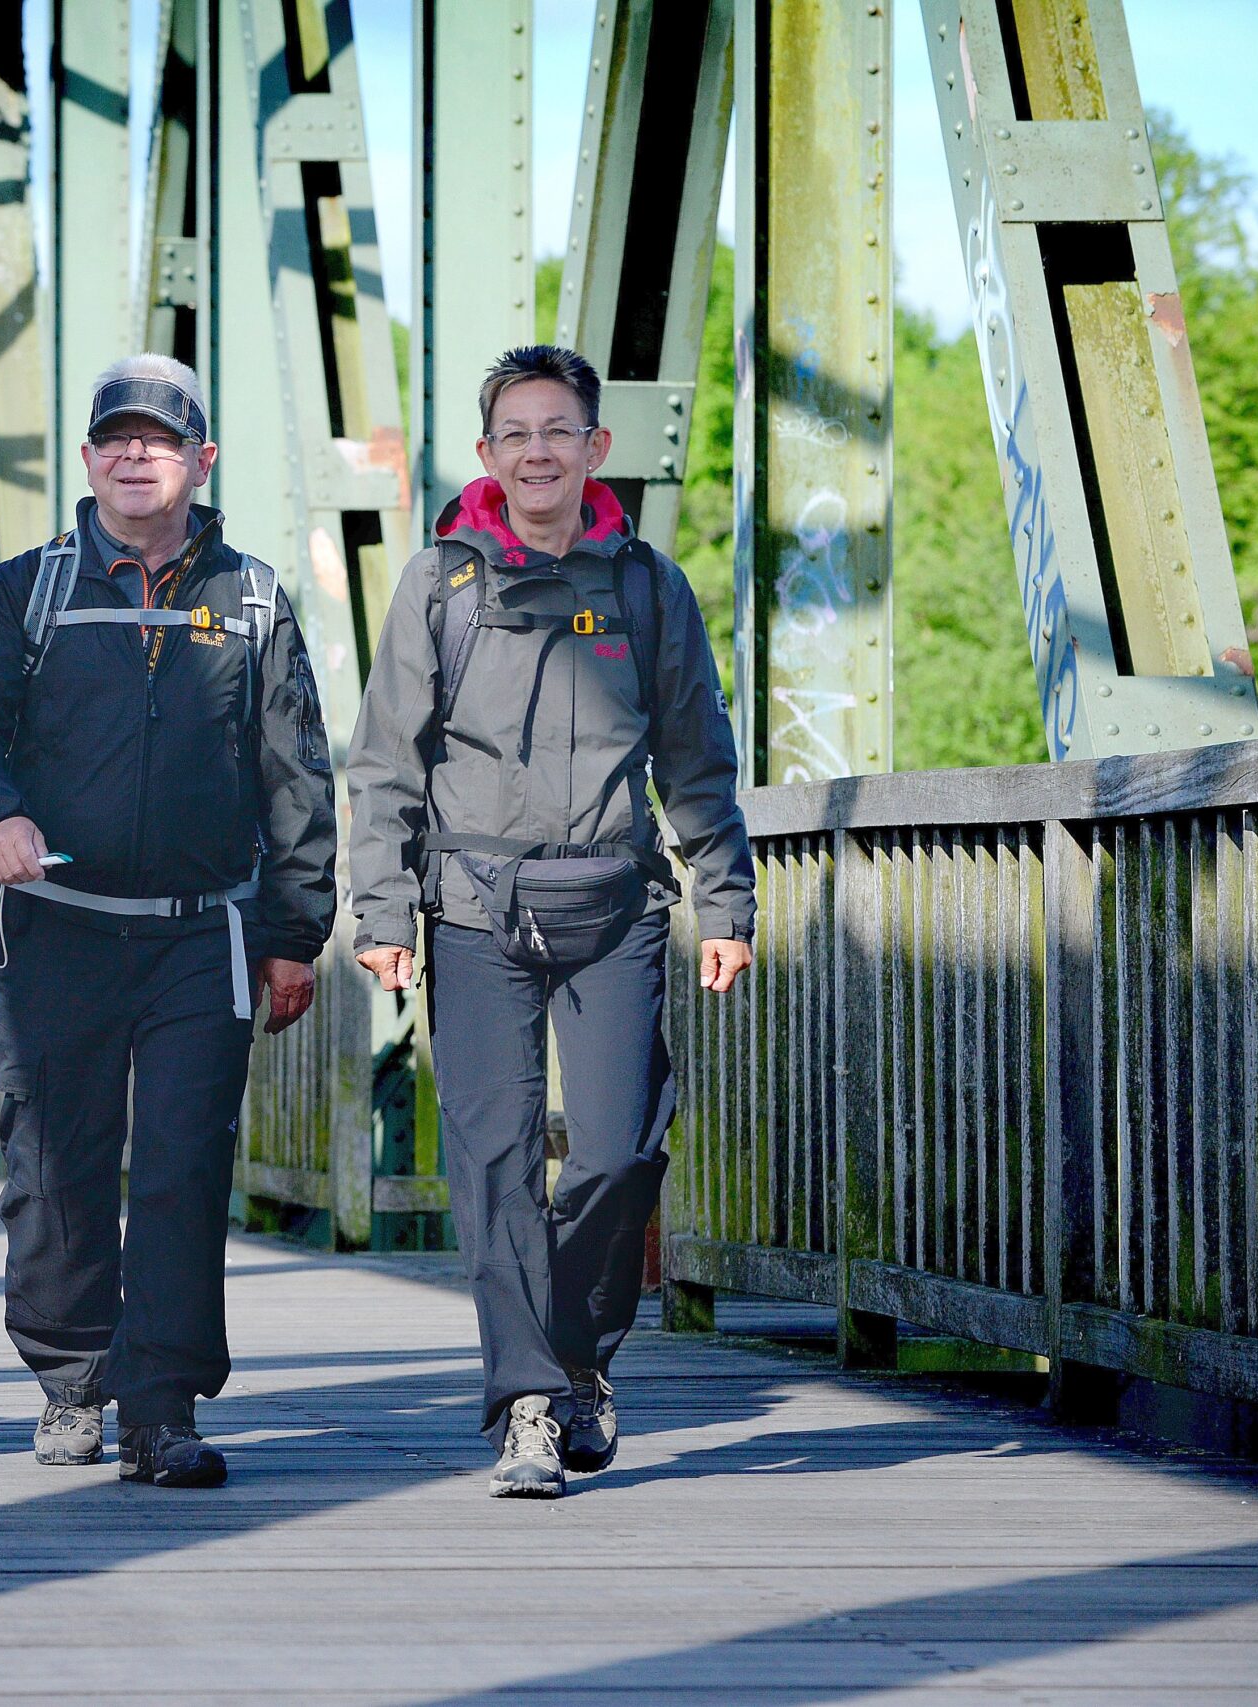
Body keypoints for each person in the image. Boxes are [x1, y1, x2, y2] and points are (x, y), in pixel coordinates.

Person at [343, 344, 755, 1499]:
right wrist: (381, 907)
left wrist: (724, 896)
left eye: (557, 430)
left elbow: (698, 758)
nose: (536, 450)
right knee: (493, 1161)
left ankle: (578, 1357)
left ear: (594, 449)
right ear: (487, 455)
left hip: (613, 903)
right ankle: (528, 1402)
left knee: (620, 1153)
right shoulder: (440, 585)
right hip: (472, 909)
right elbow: (383, 763)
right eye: (514, 433)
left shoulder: (645, 586)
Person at [0, 354, 338, 1489]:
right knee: (53, 1165)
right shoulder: (32, 589)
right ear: (87, 459)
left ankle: (159, 1409)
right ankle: (69, 1380)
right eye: (114, 437)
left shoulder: (249, 597)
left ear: (201, 463)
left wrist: (295, 933)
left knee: (179, 1171)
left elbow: (296, 772)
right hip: (56, 922)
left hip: (198, 934)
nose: (132, 455)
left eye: (157, 440)